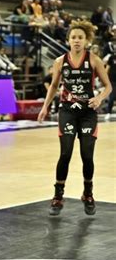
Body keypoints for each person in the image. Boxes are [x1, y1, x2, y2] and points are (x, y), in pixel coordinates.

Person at [38, 21, 112, 216]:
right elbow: (54, 86)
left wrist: (99, 98)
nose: (77, 41)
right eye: (73, 37)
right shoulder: (60, 61)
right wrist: (45, 107)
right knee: (66, 153)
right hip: (68, 111)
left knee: (87, 155)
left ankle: (88, 193)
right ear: (68, 40)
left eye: (80, 37)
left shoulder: (94, 60)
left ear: (86, 40)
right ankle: (58, 196)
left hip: (88, 112)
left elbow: (108, 87)